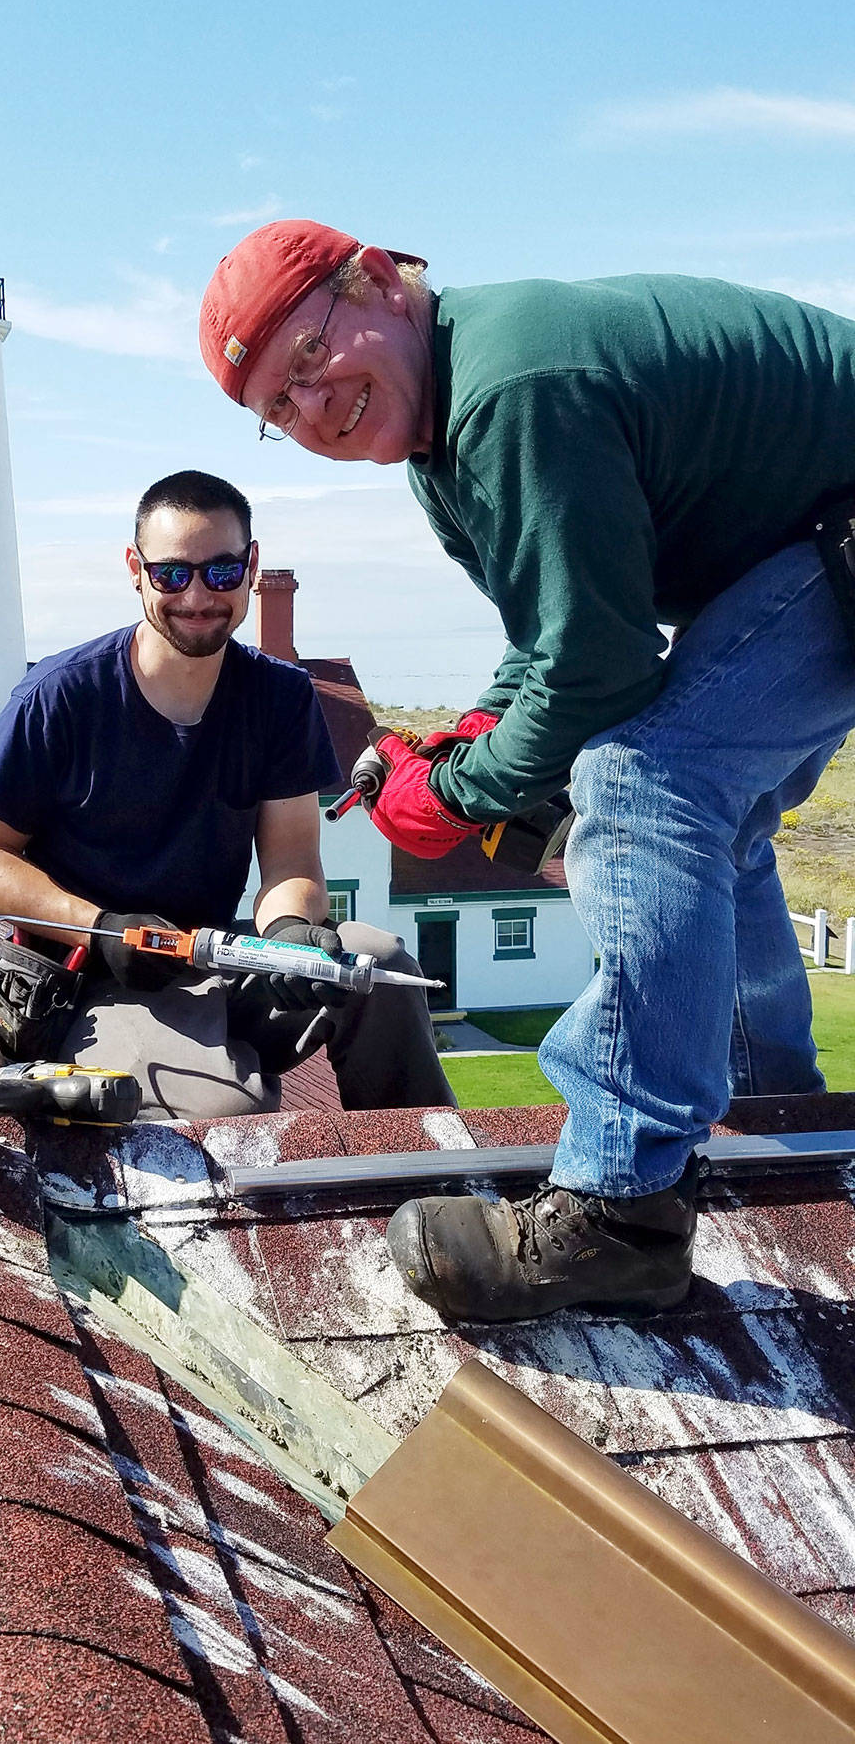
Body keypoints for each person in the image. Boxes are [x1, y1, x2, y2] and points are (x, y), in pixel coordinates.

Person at [200, 219, 855, 1321]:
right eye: (276, 407)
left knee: (644, 786)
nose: (310, 409)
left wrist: (454, 792)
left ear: (377, 279)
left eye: (308, 358)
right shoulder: (450, 425)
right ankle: (771, 1105)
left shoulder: (510, 390)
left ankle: (619, 1209)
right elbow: (554, 636)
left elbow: (598, 672)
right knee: (710, 809)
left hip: (829, 538)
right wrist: (471, 732)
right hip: (809, 544)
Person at [0, 468, 453, 1121]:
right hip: (91, 983)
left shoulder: (280, 697)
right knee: (227, 1113)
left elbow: (291, 862)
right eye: (171, 573)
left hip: (210, 958)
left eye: (220, 572)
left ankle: (426, 1179)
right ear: (135, 569)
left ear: (251, 568)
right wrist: (102, 928)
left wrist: (291, 934)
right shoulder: (59, 699)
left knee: (377, 968)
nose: (197, 594)